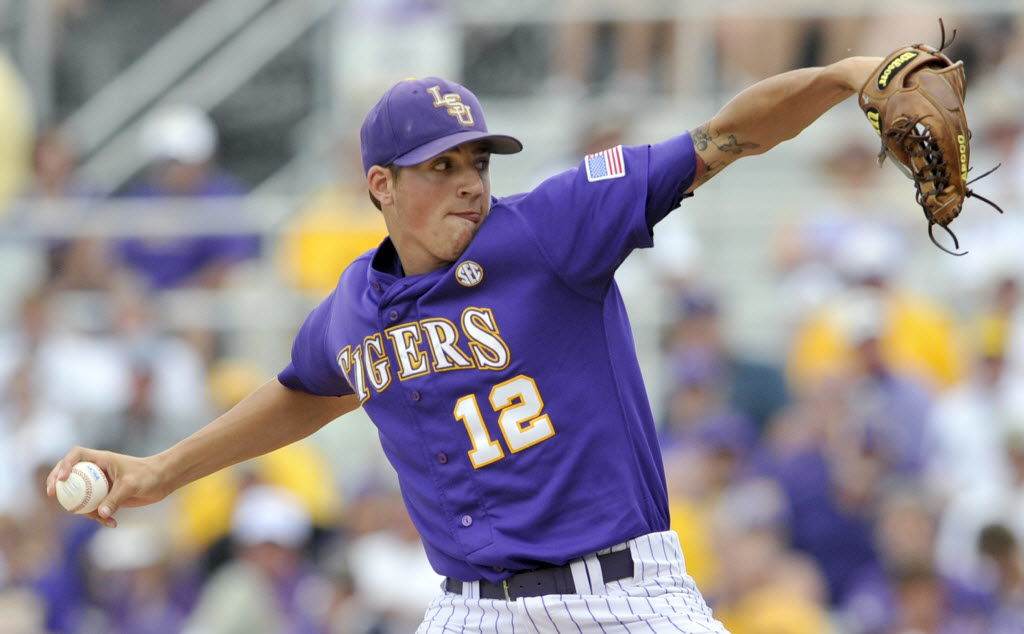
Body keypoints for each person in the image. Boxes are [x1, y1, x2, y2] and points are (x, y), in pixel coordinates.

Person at [48, 55, 888, 631]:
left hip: (626, 595)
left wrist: (844, 76)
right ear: (380, 184)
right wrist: (158, 471)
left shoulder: (552, 230)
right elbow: (306, 391)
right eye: (441, 167)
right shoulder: (353, 305)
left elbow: (722, 137)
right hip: (472, 608)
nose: (470, 183)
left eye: (477, 162)